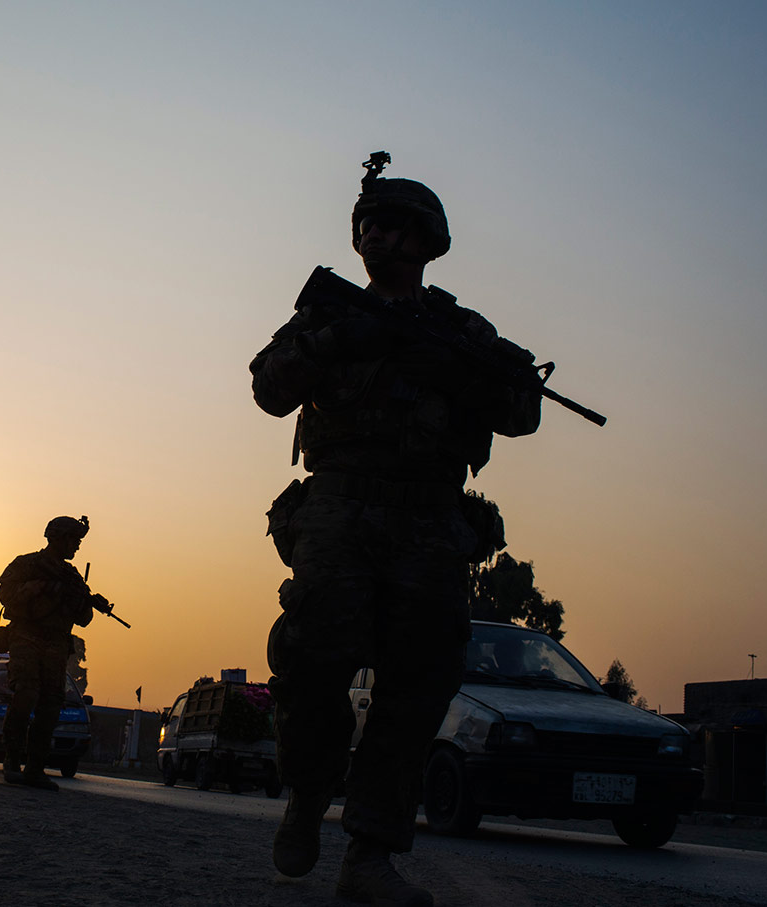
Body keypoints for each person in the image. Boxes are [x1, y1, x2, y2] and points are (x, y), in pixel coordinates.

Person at [249, 154, 542, 906]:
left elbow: (522, 414)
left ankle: (369, 853)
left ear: (425, 237)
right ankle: (309, 795)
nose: (372, 234)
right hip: (341, 509)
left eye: (388, 223)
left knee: (417, 687)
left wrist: (464, 370)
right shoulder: (331, 314)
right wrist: (338, 341)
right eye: (364, 224)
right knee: (314, 660)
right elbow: (268, 389)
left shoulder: (458, 329)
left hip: (428, 521)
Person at [0, 515, 112, 791]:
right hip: (26, 636)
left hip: (57, 645)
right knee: (25, 694)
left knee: (50, 705)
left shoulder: (72, 577)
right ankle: (12, 761)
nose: (77, 547)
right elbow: (6, 595)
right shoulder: (27, 564)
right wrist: (45, 587)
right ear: (57, 538)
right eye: (74, 540)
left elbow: (83, 619)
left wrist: (85, 602)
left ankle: (35, 768)